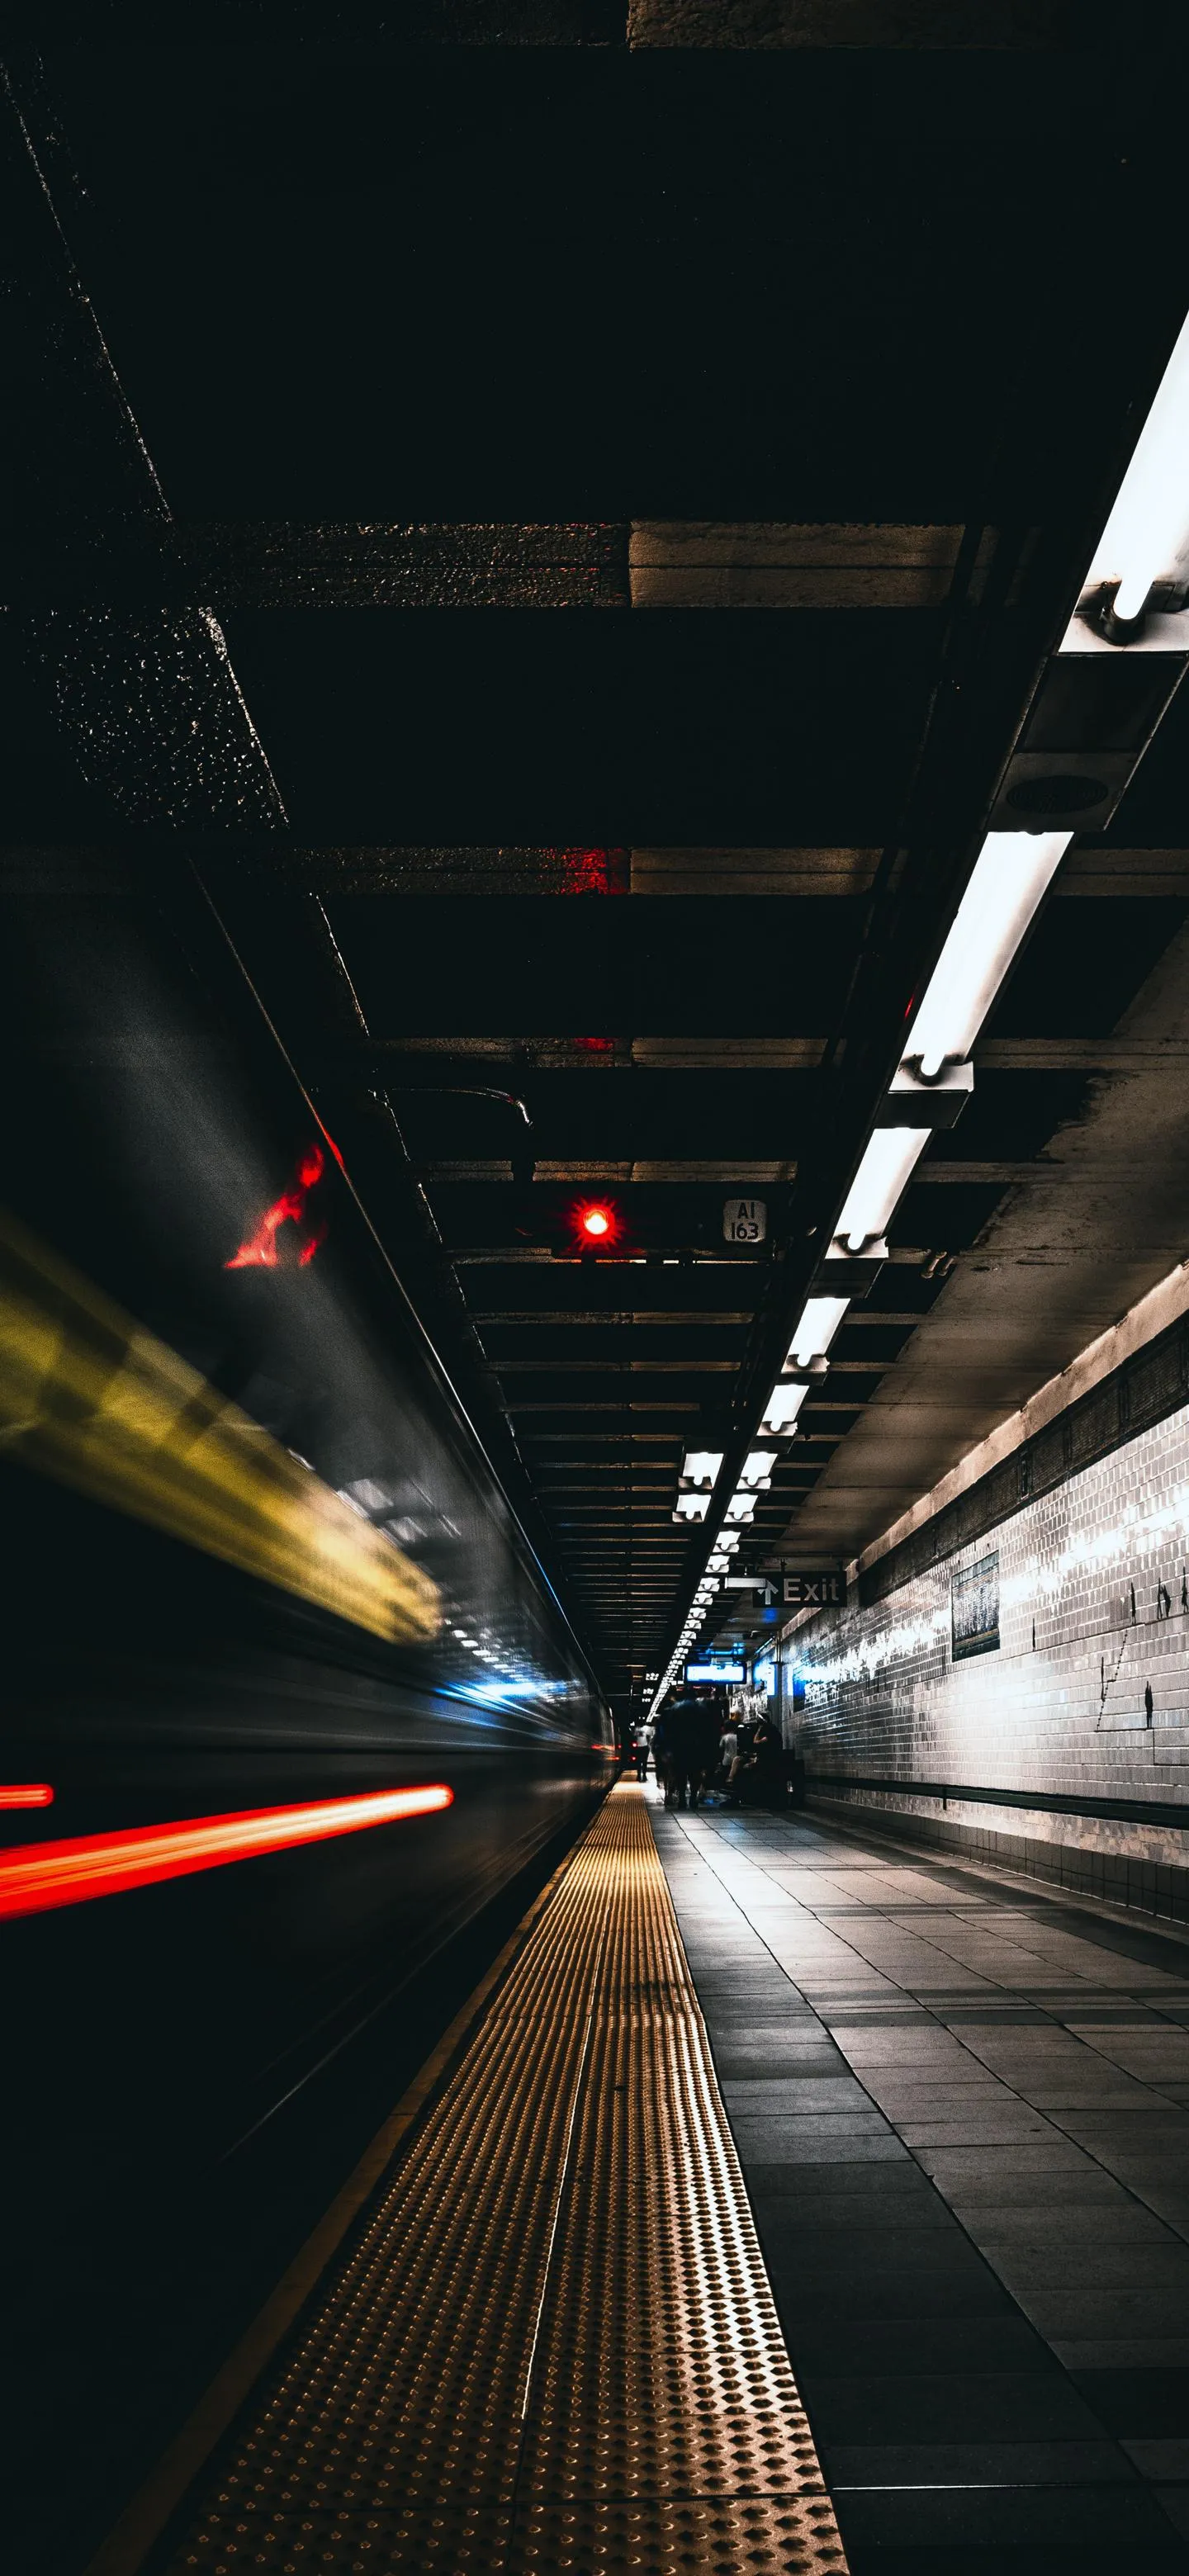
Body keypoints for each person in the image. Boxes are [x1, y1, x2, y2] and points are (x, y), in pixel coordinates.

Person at [633, 1717, 654, 1783]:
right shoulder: (647, 1728)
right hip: (645, 1747)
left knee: (638, 1762)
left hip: (639, 1747)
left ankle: (639, 1776)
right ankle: (644, 1776)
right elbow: (649, 1737)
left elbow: (634, 1737)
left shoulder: (636, 1729)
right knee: (644, 1762)